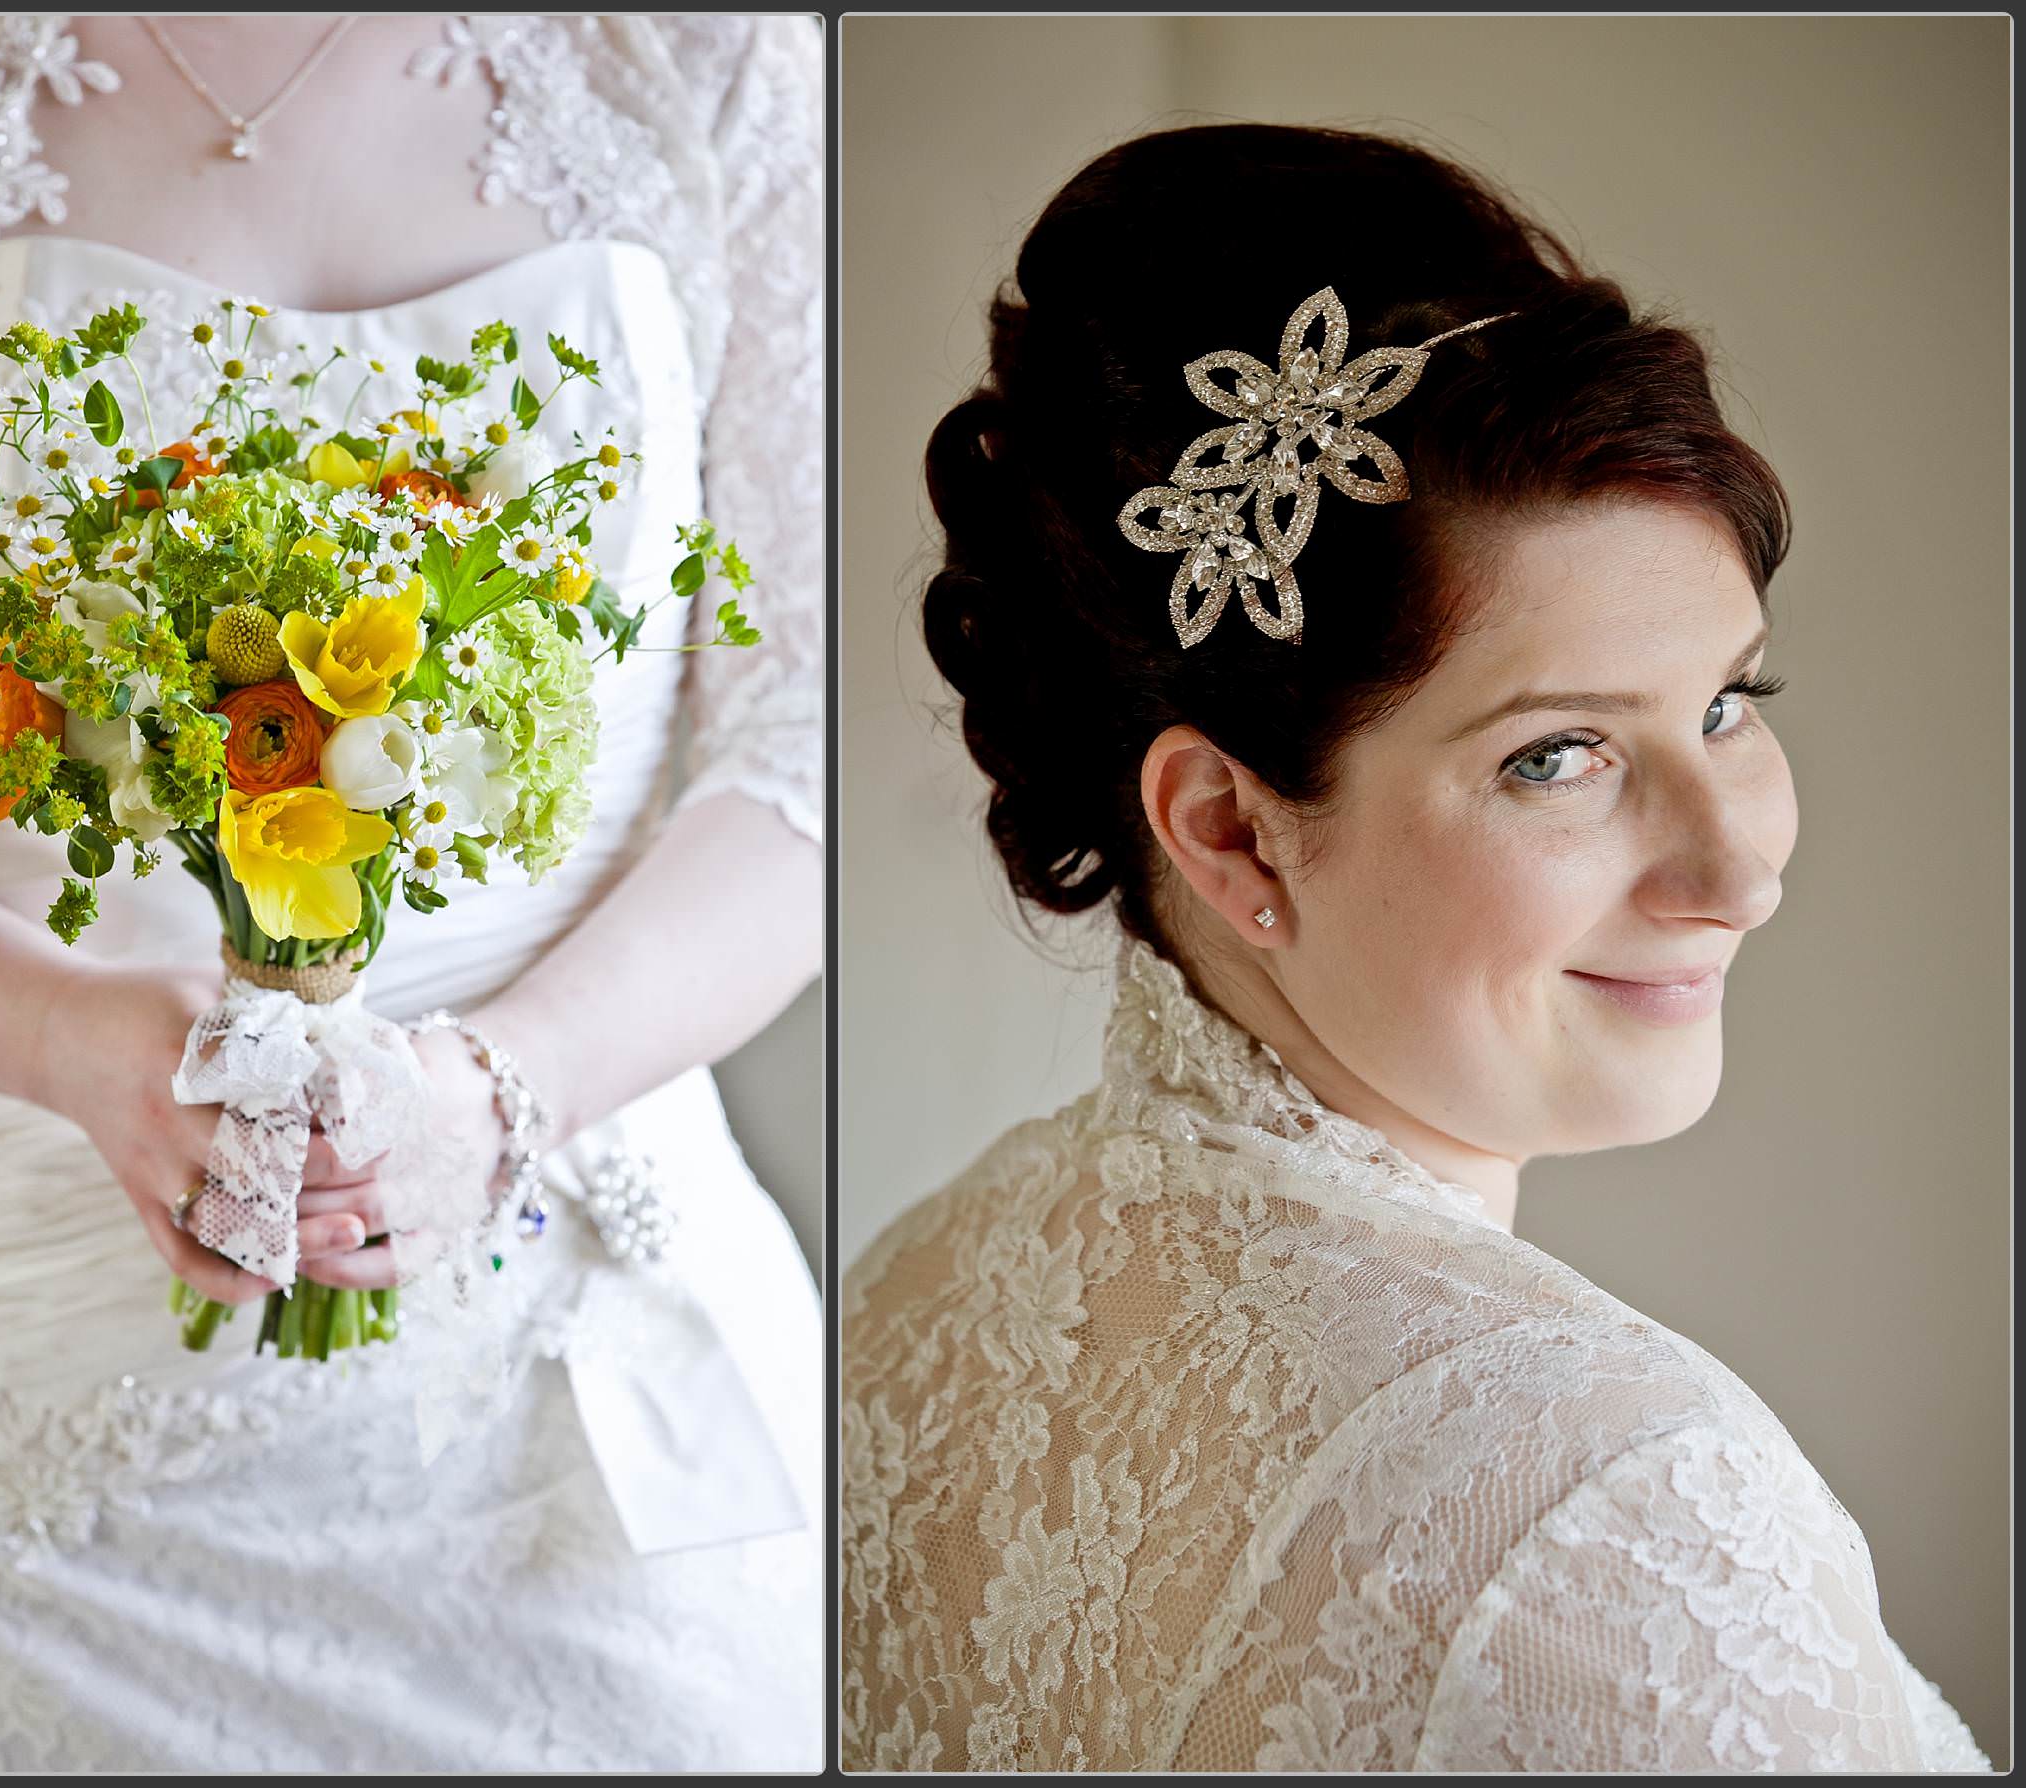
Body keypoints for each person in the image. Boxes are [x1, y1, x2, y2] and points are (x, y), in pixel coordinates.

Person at [0, 14, 823, 1771]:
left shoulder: (707, 58)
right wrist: (67, 1039)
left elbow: (793, 737)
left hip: (547, 1435)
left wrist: (502, 1093)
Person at [838, 123, 1990, 1772]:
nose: (1738, 871)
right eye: (1558, 755)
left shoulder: (910, 1301)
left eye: (1729, 704)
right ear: (1229, 825)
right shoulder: (1627, 1516)